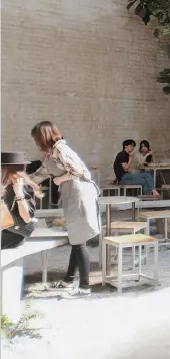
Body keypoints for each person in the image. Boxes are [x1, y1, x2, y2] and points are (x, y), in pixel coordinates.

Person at [28, 122, 101, 297]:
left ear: (43, 137)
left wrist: (59, 181)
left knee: (79, 240)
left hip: (80, 194)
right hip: (73, 195)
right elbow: (39, 175)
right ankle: (68, 280)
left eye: (36, 139)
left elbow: (81, 172)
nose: (36, 143)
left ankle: (84, 287)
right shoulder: (52, 155)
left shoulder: (61, 149)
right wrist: (18, 180)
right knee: (76, 238)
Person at [1, 151, 40, 249]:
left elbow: (27, 218)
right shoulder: (5, 185)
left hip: (12, 233)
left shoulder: (23, 186)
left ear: (5, 168)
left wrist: (19, 194)